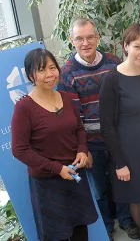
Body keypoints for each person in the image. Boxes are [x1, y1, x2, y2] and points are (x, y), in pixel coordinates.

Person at [57, 17, 137, 241]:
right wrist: (83, 149)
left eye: (90, 37)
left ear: (98, 37)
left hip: (118, 138)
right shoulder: (67, 73)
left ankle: (126, 220)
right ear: (72, 41)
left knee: (122, 183)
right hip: (90, 143)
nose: (85, 42)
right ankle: (106, 226)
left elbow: (124, 100)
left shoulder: (114, 63)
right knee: (99, 190)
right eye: (79, 38)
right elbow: (71, 117)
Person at [12, 48, 98, 241]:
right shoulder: (24, 107)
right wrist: (57, 168)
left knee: (80, 231)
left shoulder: (66, 98)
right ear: (30, 75)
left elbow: (79, 129)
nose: (49, 74)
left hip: (75, 175)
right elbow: (20, 150)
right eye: (42, 70)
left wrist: (82, 150)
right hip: (48, 182)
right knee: (56, 236)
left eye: (52, 67)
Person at [99, 24, 140, 239]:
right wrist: (119, 162)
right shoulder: (112, 78)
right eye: (137, 47)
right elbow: (106, 124)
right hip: (127, 149)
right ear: (126, 46)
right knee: (135, 195)